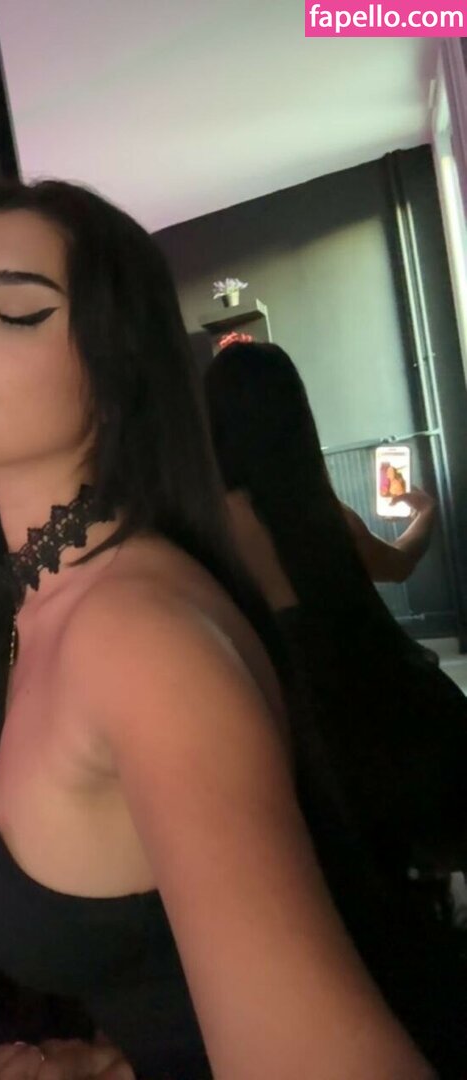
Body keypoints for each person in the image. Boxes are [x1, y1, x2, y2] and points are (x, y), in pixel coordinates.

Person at [0, 178, 435, 1080]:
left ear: (120, 370)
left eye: (17, 312)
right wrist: (119, 1063)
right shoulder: (41, 603)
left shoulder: (132, 635)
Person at [205, 339, 467, 1076]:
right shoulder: (322, 511)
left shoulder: (216, 525)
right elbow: (401, 561)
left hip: (316, 752)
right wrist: (425, 511)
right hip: (392, 716)